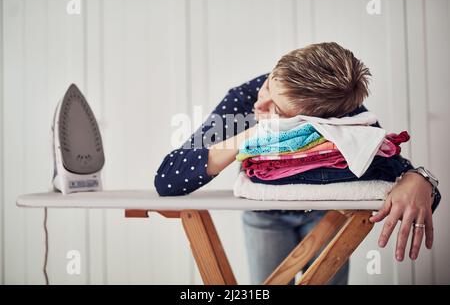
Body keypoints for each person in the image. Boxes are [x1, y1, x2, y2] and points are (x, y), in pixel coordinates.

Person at [154, 42, 441, 284]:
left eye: (276, 109)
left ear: (323, 117)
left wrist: (420, 180)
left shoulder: (343, 110)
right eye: (268, 86)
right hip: (265, 215)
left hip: (330, 214)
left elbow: (392, 166)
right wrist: (253, 133)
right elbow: (168, 179)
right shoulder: (245, 98)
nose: (260, 105)